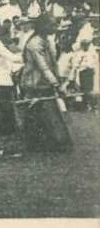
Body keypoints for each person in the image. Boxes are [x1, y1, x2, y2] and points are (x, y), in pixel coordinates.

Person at [19, 14, 72, 153]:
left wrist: (58, 80)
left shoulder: (46, 40)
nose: (55, 27)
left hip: (44, 82)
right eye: (53, 25)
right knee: (37, 114)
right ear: (44, 26)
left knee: (47, 112)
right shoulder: (35, 43)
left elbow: (53, 64)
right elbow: (43, 67)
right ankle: (39, 144)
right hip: (34, 83)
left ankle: (50, 143)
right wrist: (56, 84)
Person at [71, 38, 98, 111]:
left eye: (87, 45)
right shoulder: (79, 53)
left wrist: (91, 67)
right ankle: (85, 104)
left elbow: (95, 61)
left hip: (89, 72)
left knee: (90, 88)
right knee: (84, 88)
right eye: (84, 45)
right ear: (82, 45)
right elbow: (76, 63)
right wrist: (79, 67)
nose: (86, 46)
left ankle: (92, 104)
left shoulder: (91, 53)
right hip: (83, 72)